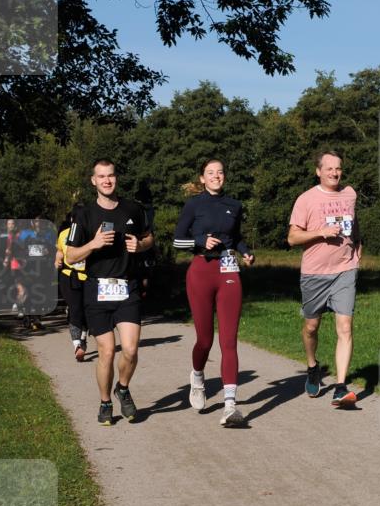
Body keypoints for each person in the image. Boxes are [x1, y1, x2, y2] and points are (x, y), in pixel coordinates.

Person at [66, 160, 154, 426]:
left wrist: (141, 245)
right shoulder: (82, 215)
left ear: (116, 178)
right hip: (97, 290)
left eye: (111, 176)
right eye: (101, 176)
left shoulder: (133, 209)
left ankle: (123, 388)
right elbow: (70, 255)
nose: (107, 181)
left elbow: (150, 238)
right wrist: (92, 244)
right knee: (106, 352)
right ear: (93, 180)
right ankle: (105, 402)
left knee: (130, 349)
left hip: (127, 287)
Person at [173, 159, 254, 427]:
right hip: (201, 271)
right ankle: (197, 376)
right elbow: (176, 240)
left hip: (229, 272)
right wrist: (200, 241)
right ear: (203, 178)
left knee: (229, 340)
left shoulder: (234, 205)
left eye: (220, 171)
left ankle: (230, 405)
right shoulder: (194, 204)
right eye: (211, 173)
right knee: (205, 340)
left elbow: (237, 237)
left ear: (224, 177)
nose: (216, 176)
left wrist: (245, 252)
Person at [287, 150, 361, 407]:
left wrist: (357, 250)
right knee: (311, 327)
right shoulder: (306, 199)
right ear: (318, 171)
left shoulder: (350, 194)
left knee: (345, 327)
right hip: (314, 273)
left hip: (345, 270)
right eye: (329, 168)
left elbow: (355, 225)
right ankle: (312, 366)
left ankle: (340, 387)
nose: (334, 173)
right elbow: (293, 238)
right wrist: (321, 233)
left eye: (338, 168)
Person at [55, 209, 88, 362]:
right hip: (69, 276)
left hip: (89, 278)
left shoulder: (92, 233)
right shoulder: (64, 234)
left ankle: (83, 338)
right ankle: (77, 345)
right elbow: (59, 251)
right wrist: (58, 259)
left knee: (87, 310)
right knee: (76, 309)